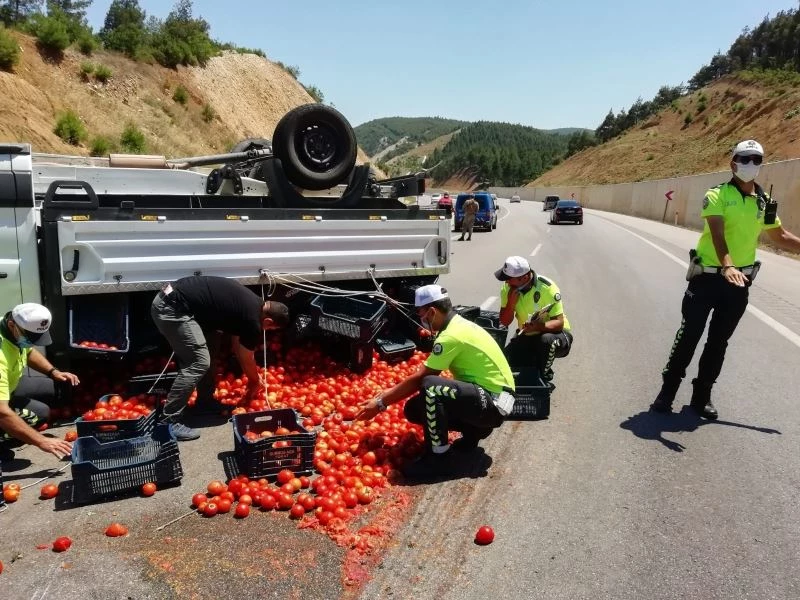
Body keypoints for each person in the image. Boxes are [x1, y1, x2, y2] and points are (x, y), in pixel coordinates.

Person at [651, 140, 800, 419]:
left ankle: (702, 396)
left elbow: (779, 236)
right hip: (707, 278)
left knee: (718, 342)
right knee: (689, 336)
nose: (751, 165)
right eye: (745, 159)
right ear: (733, 163)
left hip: (738, 284)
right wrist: (727, 265)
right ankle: (667, 392)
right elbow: (717, 233)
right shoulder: (717, 195)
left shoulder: (764, 201)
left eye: (757, 160)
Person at [355, 284, 515, 478]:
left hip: (493, 403)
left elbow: (422, 378)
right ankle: (473, 432)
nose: (421, 321)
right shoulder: (459, 325)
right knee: (414, 408)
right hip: (494, 398)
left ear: (431, 312)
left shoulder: (451, 336)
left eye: (421, 315)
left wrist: (381, 402)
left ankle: (439, 460)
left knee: (430, 387)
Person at [151, 276, 290, 441]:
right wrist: (254, 380)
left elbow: (238, 346)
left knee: (211, 345)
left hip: (176, 300)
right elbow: (246, 356)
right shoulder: (253, 320)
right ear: (268, 320)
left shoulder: (252, 304)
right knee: (198, 362)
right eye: (270, 328)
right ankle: (168, 422)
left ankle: (204, 402)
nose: (266, 330)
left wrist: (253, 377)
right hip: (171, 308)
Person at [0, 303, 78, 462]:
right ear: (11, 325)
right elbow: (1, 412)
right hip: (2, 399)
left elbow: (28, 352)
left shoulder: (11, 329)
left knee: (59, 388)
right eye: (30, 338)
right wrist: (42, 442)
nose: (32, 343)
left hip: (10, 385)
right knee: (38, 415)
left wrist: (53, 372)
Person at [496, 256, 573, 385]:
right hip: (527, 334)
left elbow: (559, 323)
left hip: (557, 335)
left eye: (510, 279)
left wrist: (538, 327)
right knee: (505, 363)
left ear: (524, 278)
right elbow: (504, 322)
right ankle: (535, 365)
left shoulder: (547, 288)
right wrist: (510, 304)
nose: (507, 282)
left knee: (546, 341)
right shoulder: (507, 289)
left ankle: (543, 375)